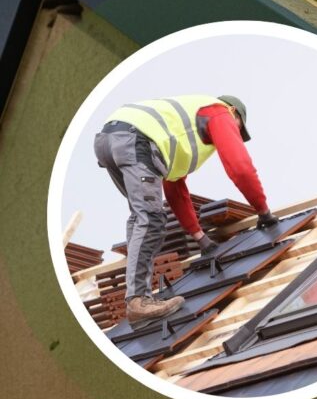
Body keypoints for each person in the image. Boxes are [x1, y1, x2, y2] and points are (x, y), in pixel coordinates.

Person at [94, 94, 278, 324]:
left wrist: (200, 238)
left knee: (141, 216)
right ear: (234, 112)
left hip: (110, 139)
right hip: (134, 139)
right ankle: (138, 301)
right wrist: (263, 212)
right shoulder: (219, 112)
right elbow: (240, 168)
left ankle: (136, 299)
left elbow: (175, 190)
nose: (236, 135)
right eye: (239, 129)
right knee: (150, 219)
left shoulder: (177, 136)